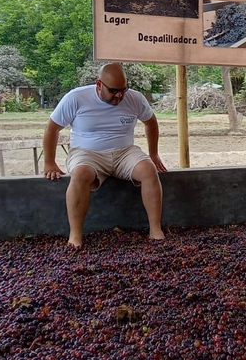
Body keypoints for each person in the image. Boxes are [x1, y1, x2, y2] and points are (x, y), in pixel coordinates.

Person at [43, 63, 167, 248]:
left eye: (123, 89)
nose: (119, 95)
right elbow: (52, 128)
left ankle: (155, 230)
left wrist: (154, 154)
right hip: (87, 153)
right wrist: (49, 162)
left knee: (148, 170)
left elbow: (151, 122)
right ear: (99, 84)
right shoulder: (76, 97)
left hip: (125, 151)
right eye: (114, 90)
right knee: (80, 174)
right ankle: (75, 236)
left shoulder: (135, 98)